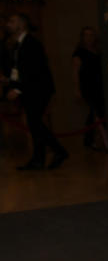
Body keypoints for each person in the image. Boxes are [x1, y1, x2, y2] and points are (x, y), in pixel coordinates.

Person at [4, 12, 68, 170]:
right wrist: (10, 83)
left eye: (12, 21)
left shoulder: (31, 43)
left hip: (38, 90)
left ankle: (59, 150)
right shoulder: (19, 45)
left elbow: (33, 71)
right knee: (34, 124)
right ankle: (38, 159)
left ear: (22, 24)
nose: (8, 24)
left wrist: (17, 90)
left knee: (35, 123)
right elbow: (19, 70)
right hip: (30, 89)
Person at [72, 26, 108, 151]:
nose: (89, 38)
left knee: (95, 113)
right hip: (88, 87)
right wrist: (77, 90)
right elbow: (75, 72)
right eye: (86, 35)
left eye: (91, 35)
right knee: (96, 112)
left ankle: (89, 139)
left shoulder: (98, 51)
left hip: (100, 86)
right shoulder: (79, 53)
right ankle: (105, 141)